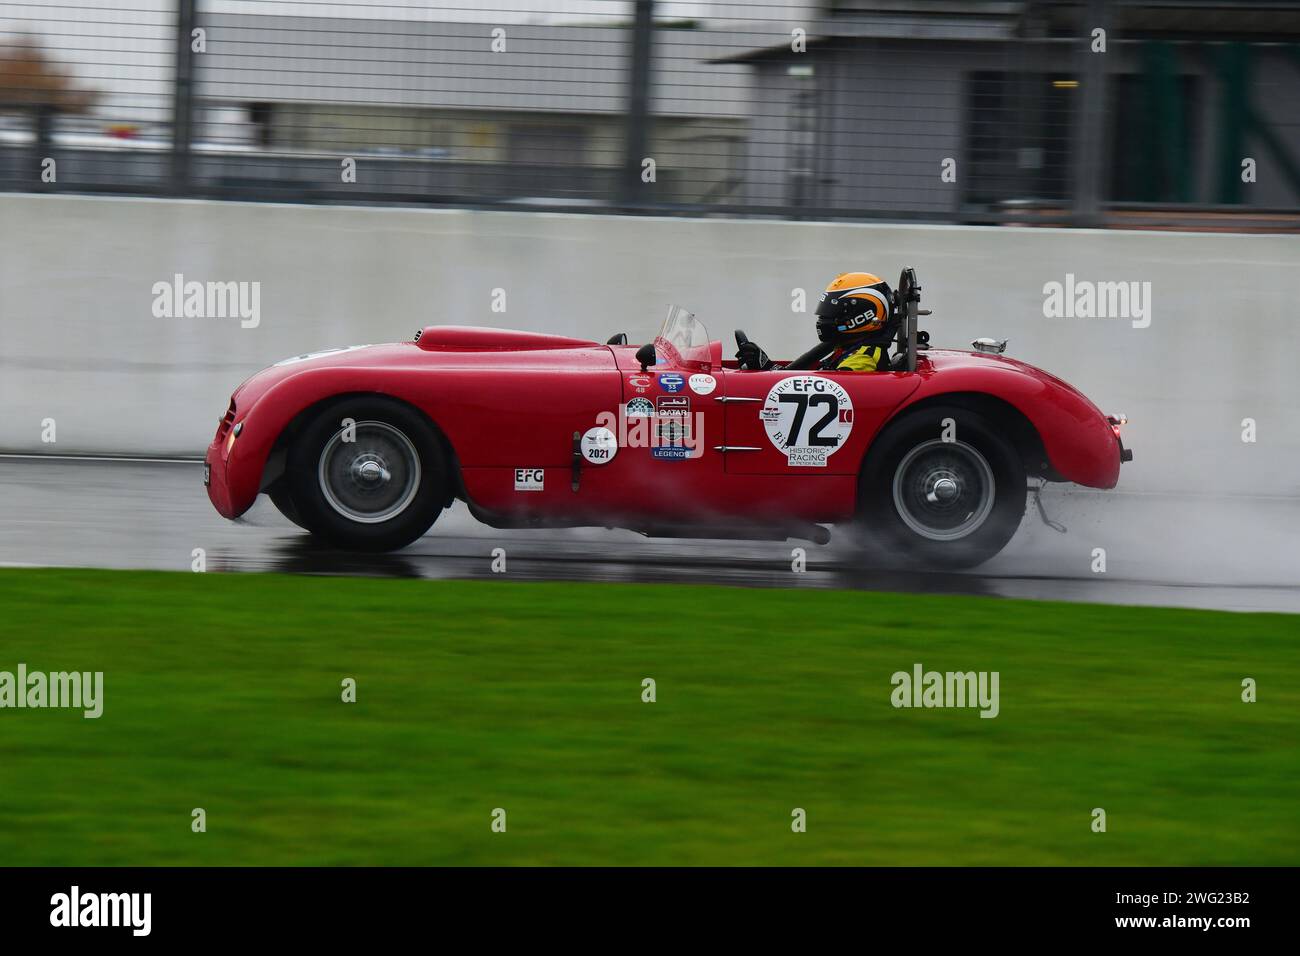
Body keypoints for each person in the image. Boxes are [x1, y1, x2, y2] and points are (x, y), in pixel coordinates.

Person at [737, 272, 898, 372]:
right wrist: (769, 368)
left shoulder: (864, 358)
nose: (825, 318)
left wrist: (768, 371)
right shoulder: (846, 348)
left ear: (864, 315)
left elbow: (827, 388)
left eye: (834, 311)